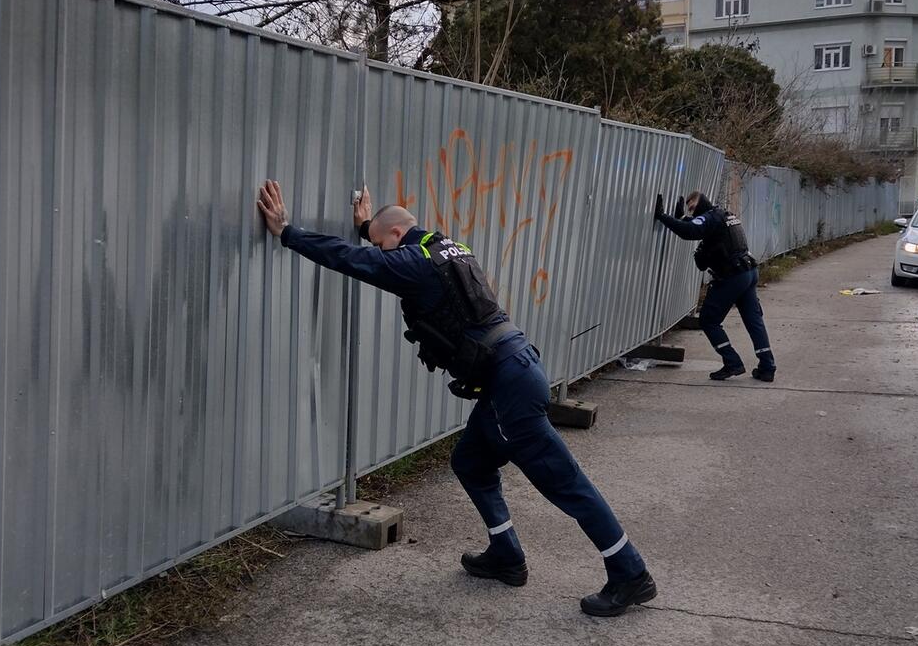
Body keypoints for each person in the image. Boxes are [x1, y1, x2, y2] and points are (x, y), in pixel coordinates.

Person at [256, 180, 654, 617]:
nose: (384, 254)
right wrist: (369, 225)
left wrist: (287, 232)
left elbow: (356, 260)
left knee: (565, 482)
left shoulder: (413, 264)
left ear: (394, 237)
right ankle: (506, 555)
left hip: (508, 385)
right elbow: (384, 250)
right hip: (515, 368)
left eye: (382, 243)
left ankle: (629, 573)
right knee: (471, 462)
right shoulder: (446, 246)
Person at [654, 190, 777, 383]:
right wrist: (682, 218)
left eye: (693, 207)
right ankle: (767, 367)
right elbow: (698, 226)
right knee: (754, 320)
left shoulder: (709, 218)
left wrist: (663, 217)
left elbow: (690, 231)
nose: (692, 212)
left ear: (702, 203)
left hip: (733, 276)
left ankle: (732, 362)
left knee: (708, 321)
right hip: (749, 271)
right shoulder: (723, 215)